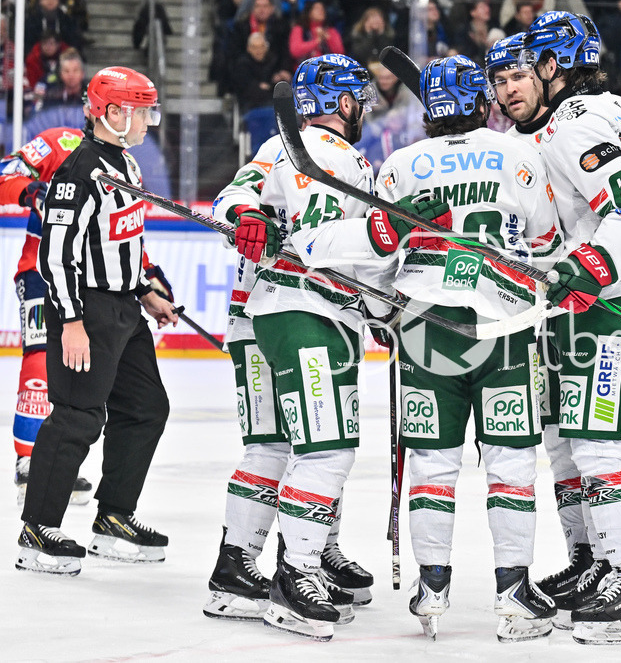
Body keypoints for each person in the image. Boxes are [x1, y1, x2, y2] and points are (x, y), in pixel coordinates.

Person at [486, 29, 621, 640]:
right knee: (565, 441)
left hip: (609, 300)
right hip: (572, 302)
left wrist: (594, 264)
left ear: (555, 66)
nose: (519, 79)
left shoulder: (575, 121)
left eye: (532, 66)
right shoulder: (592, 113)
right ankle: (593, 561)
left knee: (600, 443)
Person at [219, 54, 437, 642]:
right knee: (320, 444)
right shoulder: (283, 148)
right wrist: (245, 216)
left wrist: (383, 308)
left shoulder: (356, 165)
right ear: (342, 102)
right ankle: (296, 568)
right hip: (292, 307)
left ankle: (271, 559)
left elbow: (367, 254)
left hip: (311, 311)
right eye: (358, 98)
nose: (363, 107)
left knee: (295, 443)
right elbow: (229, 203)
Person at [375, 54, 561, 642]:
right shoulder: (519, 154)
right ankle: (513, 593)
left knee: (432, 461)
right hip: (503, 323)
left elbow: (380, 252)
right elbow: (544, 238)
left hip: (425, 326)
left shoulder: (400, 165)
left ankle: (432, 586)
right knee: (510, 462)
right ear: (482, 101)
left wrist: (383, 315)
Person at [16, 67, 179, 577]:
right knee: (78, 415)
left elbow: (120, 241)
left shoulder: (125, 164)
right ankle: (37, 529)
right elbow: (58, 257)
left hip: (125, 310)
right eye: (143, 110)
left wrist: (146, 289)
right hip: (87, 310)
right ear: (112, 113)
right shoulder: (79, 170)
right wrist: (71, 321)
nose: (150, 121)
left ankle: (114, 516)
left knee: (147, 407)